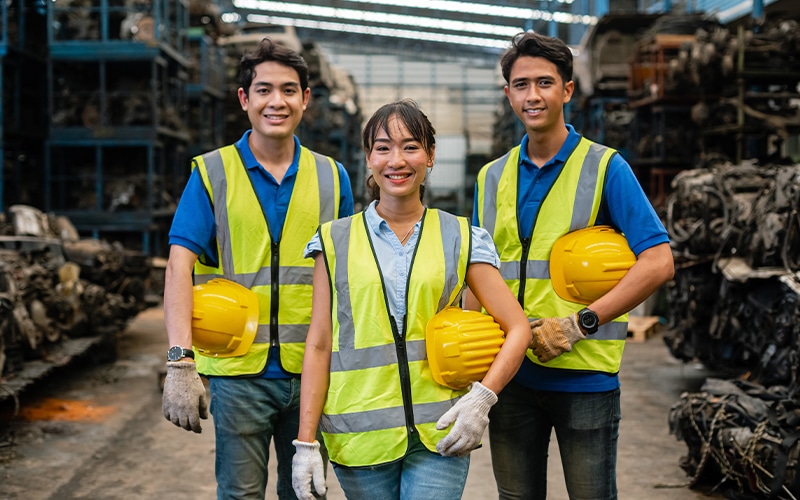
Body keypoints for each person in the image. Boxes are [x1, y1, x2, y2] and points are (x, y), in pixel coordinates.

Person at [290, 99, 531, 500]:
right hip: (358, 435)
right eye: (382, 147)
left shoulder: (461, 236)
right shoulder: (334, 241)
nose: (396, 160)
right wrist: (306, 443)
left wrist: (481, 400)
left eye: (410, 146)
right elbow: (319, 344)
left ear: (430, 155)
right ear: (368, 158)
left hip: (440, 430)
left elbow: (518, 327)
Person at [468, 32, 675, 500]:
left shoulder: (605, 168)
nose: (533, 95)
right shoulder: (490, 177)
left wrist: (579, 324)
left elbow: (659, 262)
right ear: (508, 95)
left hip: (585, 377)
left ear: (567, 89)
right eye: (521, 85)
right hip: (510, 378)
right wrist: (474, 367)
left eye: (545, 82)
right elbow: (478, 275)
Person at [161, 37, 354, 500]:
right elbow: (178, 267)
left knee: (307, 493)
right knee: (240, 493)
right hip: (238, 373)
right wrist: (180, 361)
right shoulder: (213, 173)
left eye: (289, 90)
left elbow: (347, 277)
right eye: (264, 90)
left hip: (311, 370)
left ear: (306, 100)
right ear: (245, 99)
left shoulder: (333, 177)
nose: (277, 102)